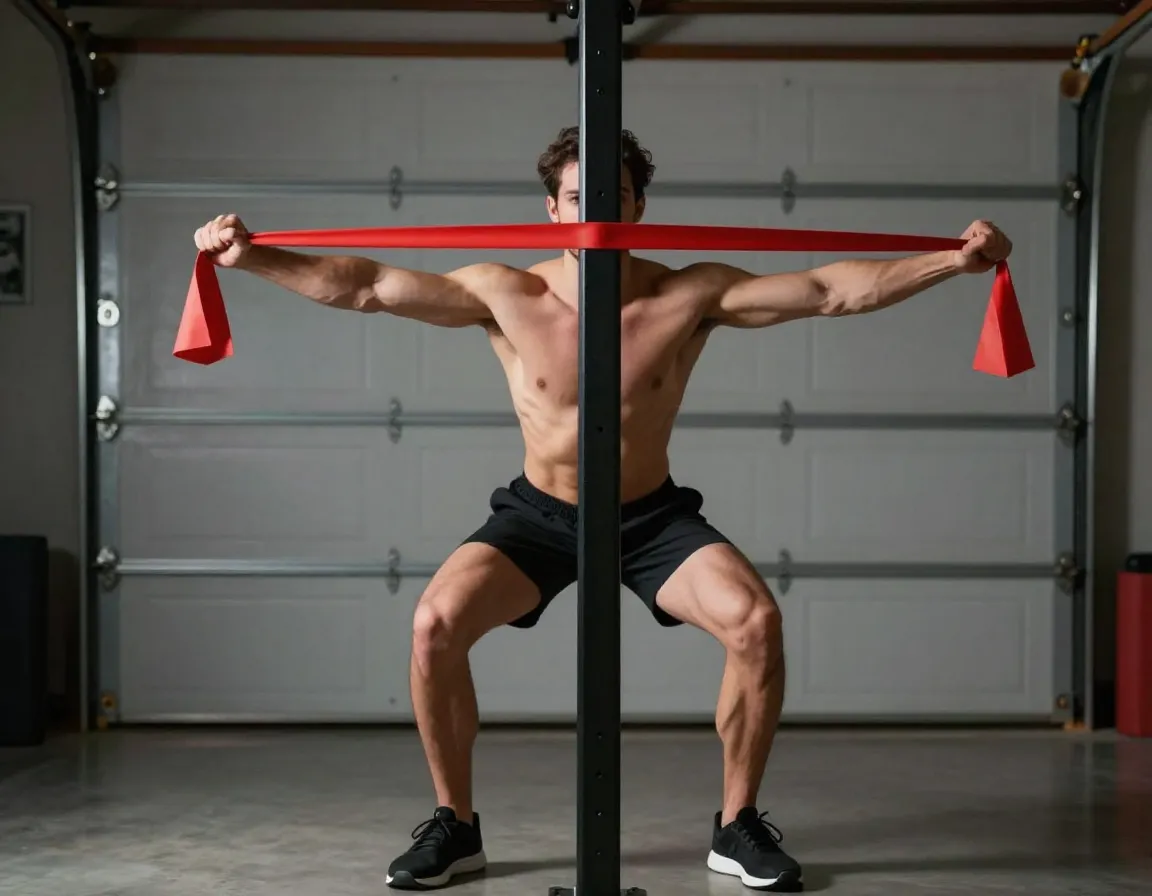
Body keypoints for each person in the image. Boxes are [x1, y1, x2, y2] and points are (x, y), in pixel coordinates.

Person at [193, 125, 1013, 893]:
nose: (597, 210)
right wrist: (252, 257)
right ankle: (457, 824)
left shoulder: (688, 295)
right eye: (579, 196)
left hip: (649, 519)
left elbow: (832, 290)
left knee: (755, 622)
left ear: (638, 206)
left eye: (613, 194)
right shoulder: (504, 292)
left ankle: (736, 826)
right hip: (538, 517)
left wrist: (953, 261)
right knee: (433, 626)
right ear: (552, 208)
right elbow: (368, 286)